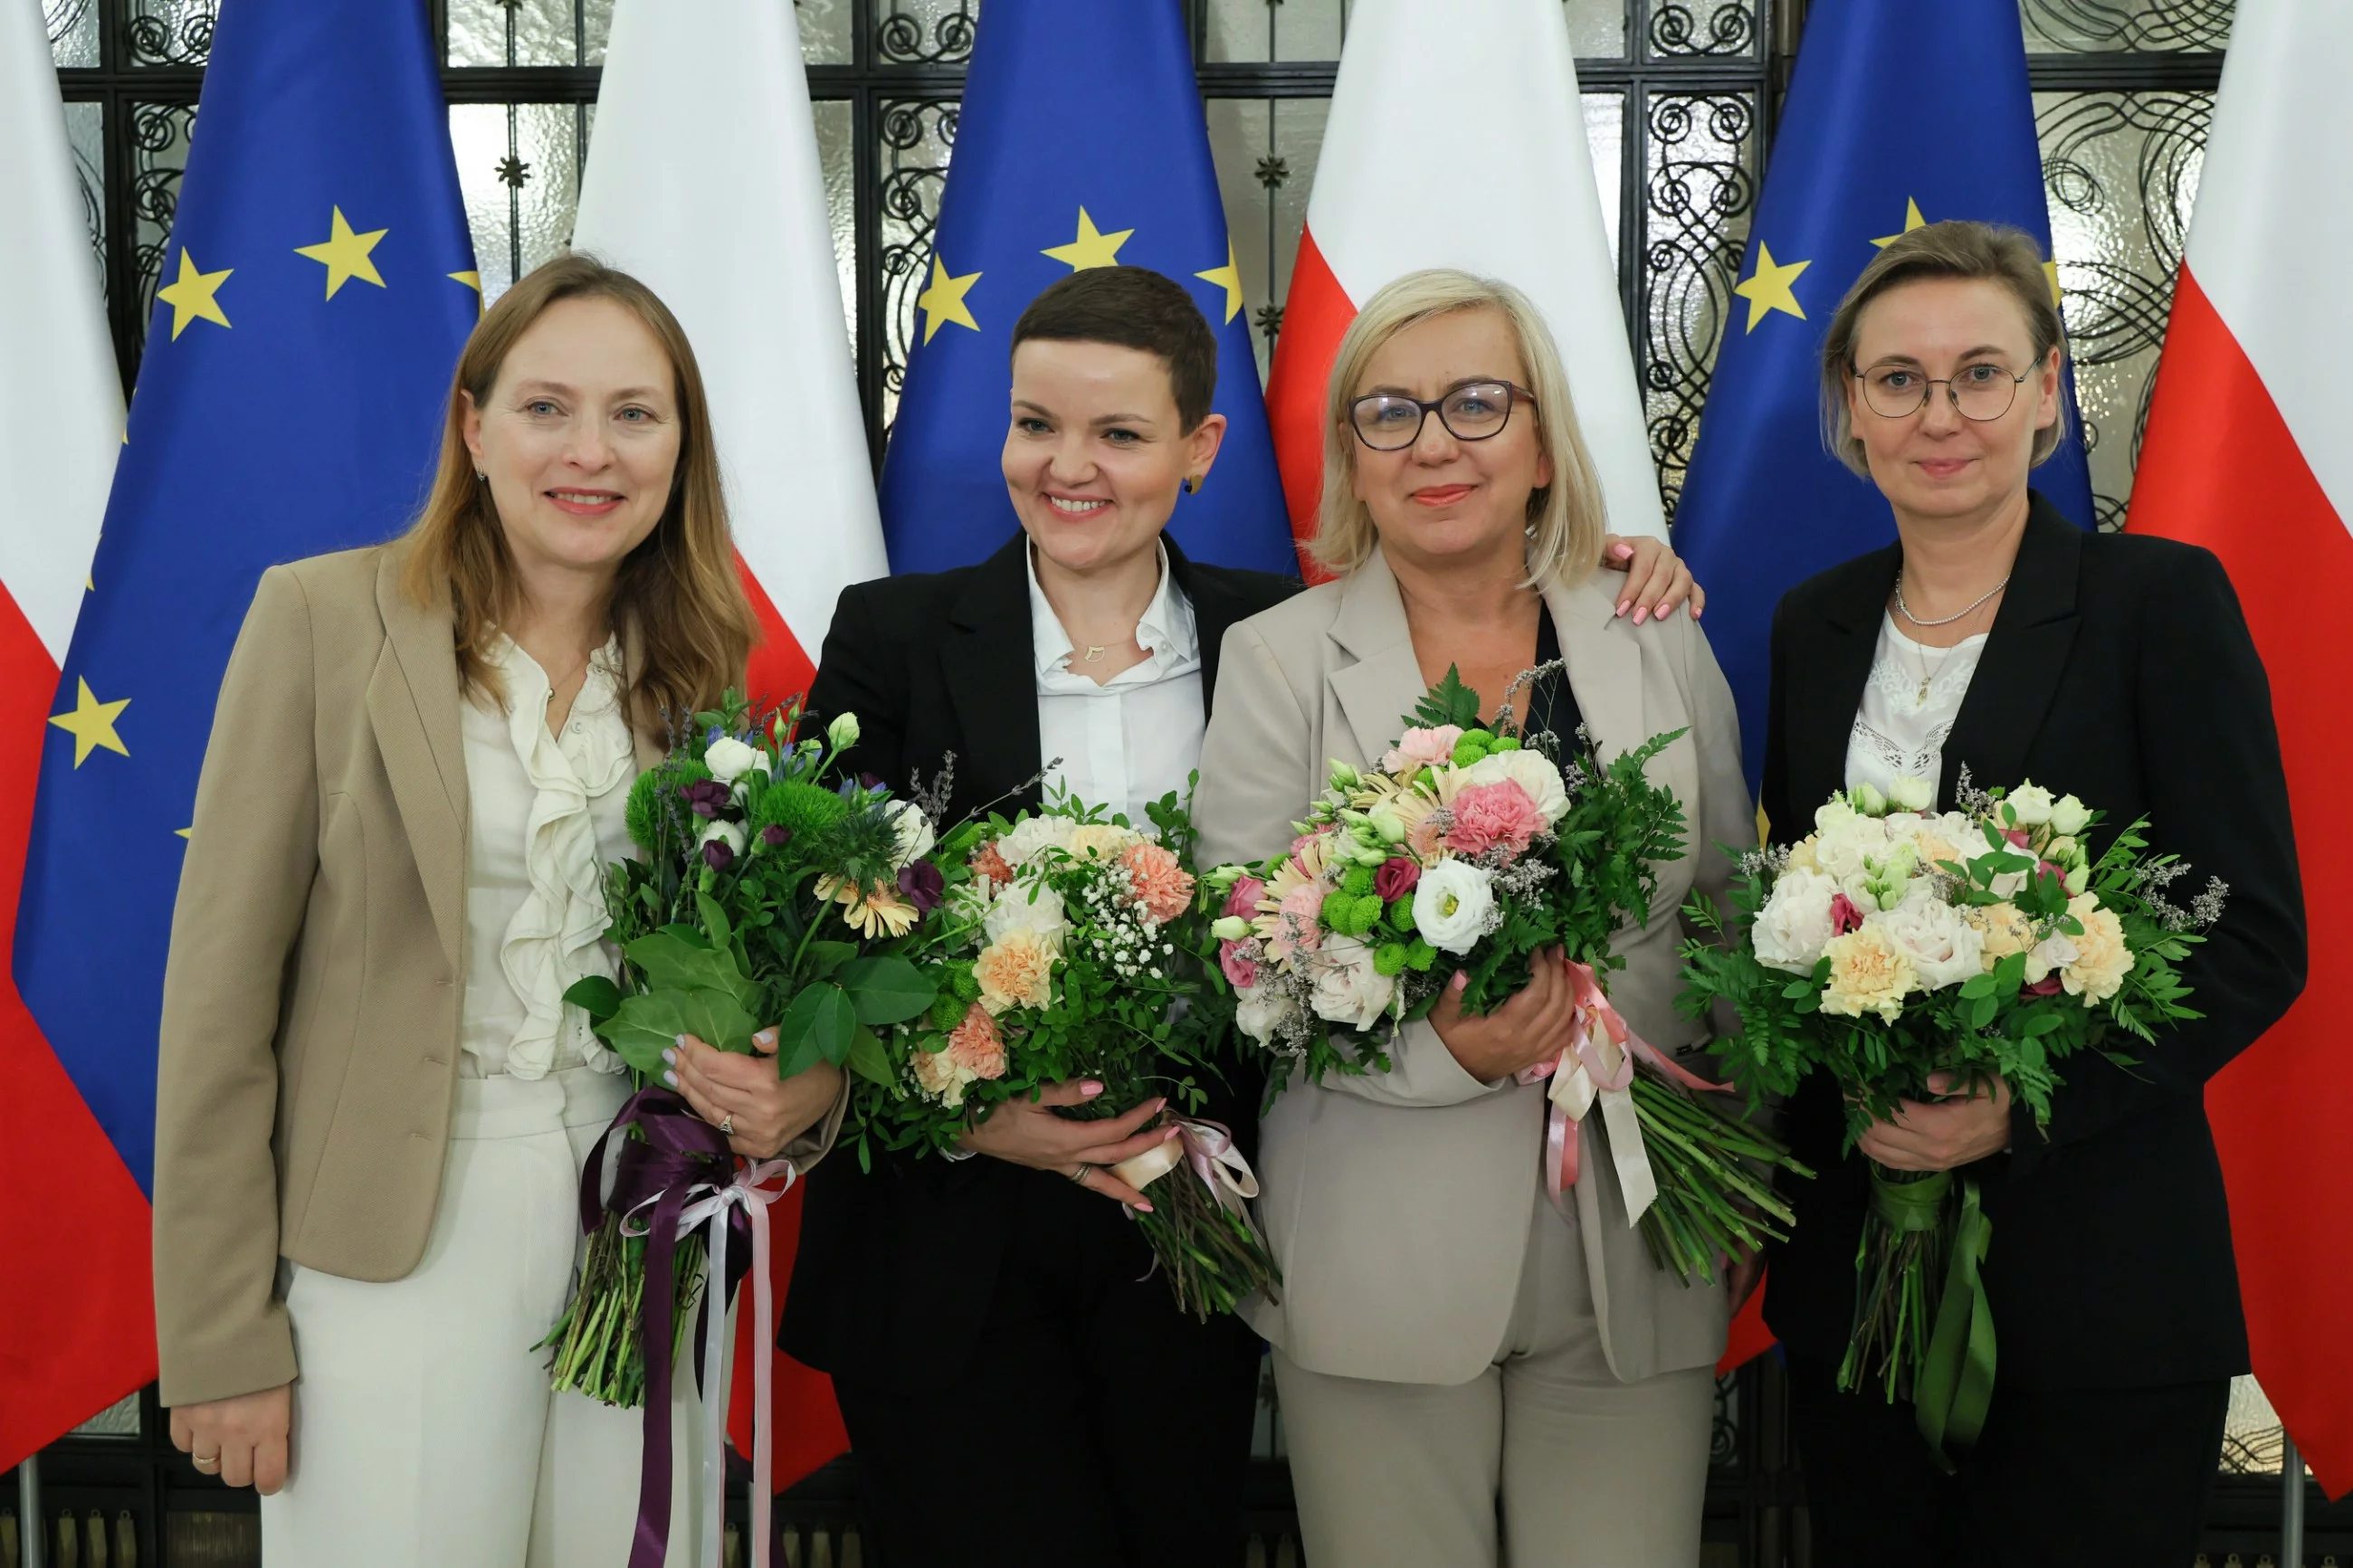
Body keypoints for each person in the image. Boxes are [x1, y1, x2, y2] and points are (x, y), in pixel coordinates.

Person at [782, 264, 1702, 1568]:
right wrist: (975, 1108)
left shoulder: (1265, 628)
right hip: (952, 1248)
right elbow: (826, 941)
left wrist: (1619, 556)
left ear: (1200, 449)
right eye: (1036, 425)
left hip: (1198, 1240)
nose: (1068, 465)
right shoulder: (894, 635)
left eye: (1117, 432)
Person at [152, 254, 851, 1568]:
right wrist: (219, 1337)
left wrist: (807, 1093)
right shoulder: (319, 619)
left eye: (635, 414)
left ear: (680, 448)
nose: (591, 450)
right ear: (473, 430)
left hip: (644, 1225)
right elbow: (215, 1008)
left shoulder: (715, 676)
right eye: (547, 408)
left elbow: (764, 984)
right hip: (391, 1240)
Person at [1758, 220, 2308, 1566]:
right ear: (1851, 409)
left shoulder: (2157, 603)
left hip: (2100, 1290)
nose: (1939, 414)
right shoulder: (1812, 623)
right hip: (1860, 1296)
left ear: (2049, 391)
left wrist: (2017, 1113)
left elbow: (2251, 933)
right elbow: (1786, 922)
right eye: (1898, 380)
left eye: (1980, 373)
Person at [1190, 268, 1752, 1568]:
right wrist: (1449, 1054)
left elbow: (1725, 922)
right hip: (1380, 1258)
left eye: (1477, 405)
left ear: (1545, 442)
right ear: (1352, 458)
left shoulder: (1653, 629)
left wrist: (1738, 1190)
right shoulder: (1280, 658)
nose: (1434, 442)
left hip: (1641, 1246)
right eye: (1389, 412)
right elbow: (1244, 965)